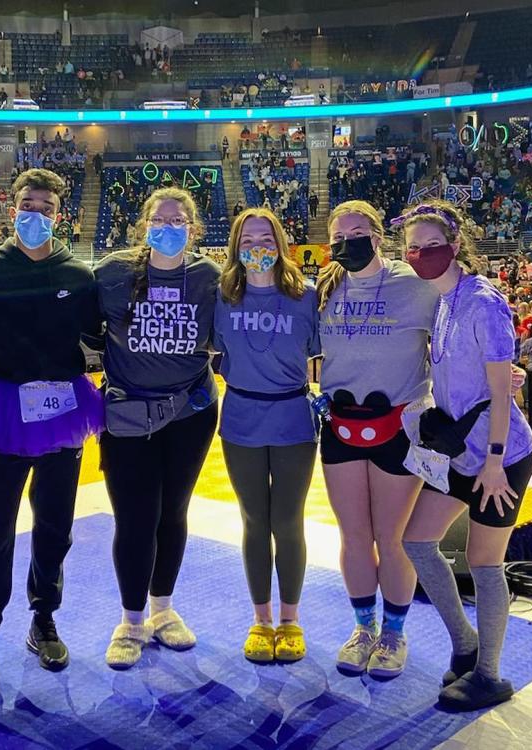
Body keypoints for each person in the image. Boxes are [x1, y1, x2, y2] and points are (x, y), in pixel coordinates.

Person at [0, 168, 104, 702]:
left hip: (64, 411)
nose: (35, 213)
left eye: (45, 206)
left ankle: (43, 618)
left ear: (59, 213)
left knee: (55, 529)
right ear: (10, 207)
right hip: (4, 409)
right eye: (27, 203)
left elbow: (101, 334)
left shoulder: (79, 274)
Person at [397, 200, 532, 712]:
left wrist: (496, 462)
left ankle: (490, 675)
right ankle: (464, 642)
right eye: (413, 247)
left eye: (431, 246)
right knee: (417, 541)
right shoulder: (436, 300)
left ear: (455, 246)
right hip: (458, 453)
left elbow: (502, 394)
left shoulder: (483, 301)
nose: (420, 255)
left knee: (484, 563)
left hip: (501, 457)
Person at [95, 187, 220, 669]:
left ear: (193, 228)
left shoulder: (210, 277)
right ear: (143, 225)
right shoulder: (112, 273)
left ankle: (163, 611)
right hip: (128, 415)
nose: (168, 226)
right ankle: (129, 621)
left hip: (191, 412)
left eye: (179, 219)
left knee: (174, 512)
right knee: (134, 518)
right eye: (159, 219)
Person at [316, 199, 437, 679]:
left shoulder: (417, 285)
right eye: (340, 234)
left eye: (360, 230)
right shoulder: (323, 289)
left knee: (392, 537)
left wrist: (499, 371)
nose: (351, 240)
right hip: (340, 426)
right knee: (354, 535)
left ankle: (394, 633)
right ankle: (363, 628)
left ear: (379, 233)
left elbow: (458, 332)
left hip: (399, 426)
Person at [214, 208, 319, 663]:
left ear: (280, 242)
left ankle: (290, 621)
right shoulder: (221, 297)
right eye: (248, 238)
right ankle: (260, 619)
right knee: (254, 521)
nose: (258, 246)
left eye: (266, 237)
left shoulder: (308, 297)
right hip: (240, 417)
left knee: (288, 521)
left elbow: (327, 354)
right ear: (236, 246)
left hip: (294, 418)